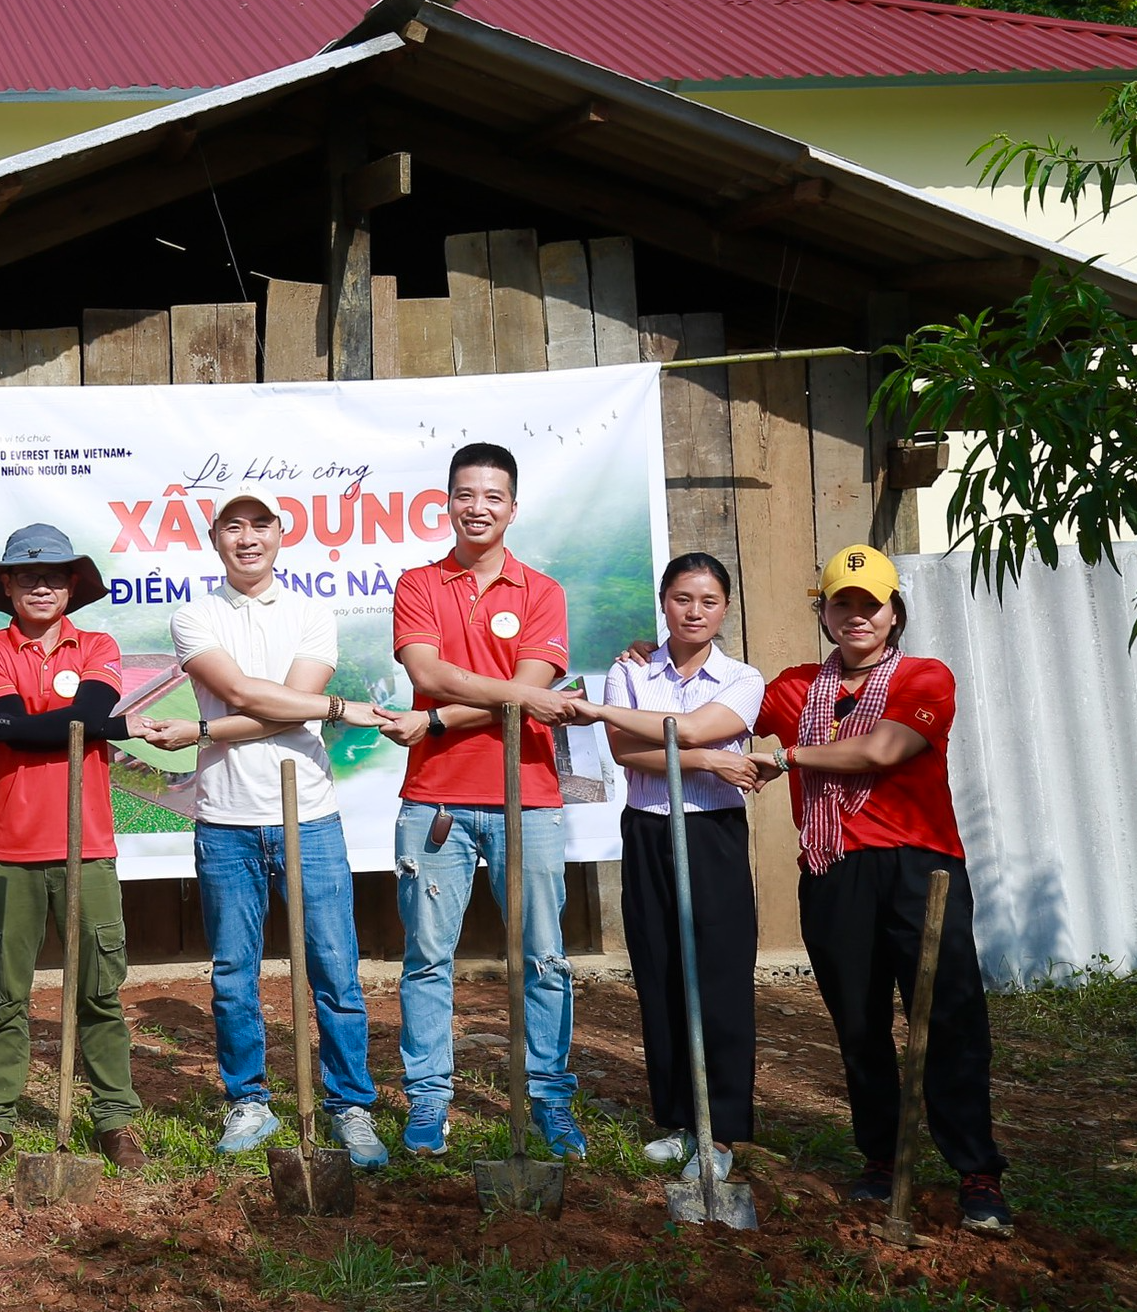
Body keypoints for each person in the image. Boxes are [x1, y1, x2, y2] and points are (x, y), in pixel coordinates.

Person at [752, 544, 1009, 1236]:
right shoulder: (793, 688)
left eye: (873, 603)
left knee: (951, 1015)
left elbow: (884, 750)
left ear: (896, 612)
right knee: (859, 1024)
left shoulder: (925, 676)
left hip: (922, 869)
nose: (858, 615)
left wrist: (787, 755)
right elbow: (717, 710)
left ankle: (975, 1170)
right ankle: (880, 1157)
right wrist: (649, 660)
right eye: (844, 603)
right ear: (826, 613)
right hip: (834, 870)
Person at [137, 494, 395, 1164]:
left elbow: (288, 713)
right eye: (233, 526)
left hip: (308, 814)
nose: (247, 538)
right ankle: (248, 1101)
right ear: (215, 537)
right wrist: (338, 707)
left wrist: (202, 728)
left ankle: (349, 1105)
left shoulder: (312, 612)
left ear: (281, 534)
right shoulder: (195, 613)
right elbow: (259, 698)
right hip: (224, 818)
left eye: (260, 525)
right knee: (232, 974)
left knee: (335, 968)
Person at [378, 441, 589, 1161]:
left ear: (513, 507)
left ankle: (550, 1098)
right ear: (447, 501)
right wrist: (519, 695)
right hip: (435, 801)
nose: (478, 507)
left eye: (493, 496)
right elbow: (428, 669)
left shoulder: (543, 591)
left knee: (544, 958)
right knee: (427, 959)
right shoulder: (418, 583)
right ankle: (429, 1099)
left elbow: (503, 687)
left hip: (529, 799)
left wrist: (439, 714)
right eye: (466, 494)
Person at [0, 522, 147, 1177]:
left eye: (55, 574)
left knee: (99, 990)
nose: (41, 584)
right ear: (6, 584)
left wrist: (94, 721)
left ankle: (115, 1119)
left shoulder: (98, 644)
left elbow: (68, 718)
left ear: (72, 584)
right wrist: (108, 724)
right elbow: (15, 723)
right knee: (4, 995)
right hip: (7, 848)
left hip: (85, 847)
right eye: (27, 574)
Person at [567, 553, 764, 1180]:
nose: (695, 612)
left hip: (711, 835)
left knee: (721, 975)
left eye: (708, 601)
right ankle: (681, 1120)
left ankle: (723, 1131)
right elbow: (630, 751)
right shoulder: (631, 671)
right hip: (649, 830)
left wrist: (654, 732)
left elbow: (699, 725)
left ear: (725, 608)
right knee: (660, 970)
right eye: (683, 599)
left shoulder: (743, 678)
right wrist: (712, 760)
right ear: (663, 601)